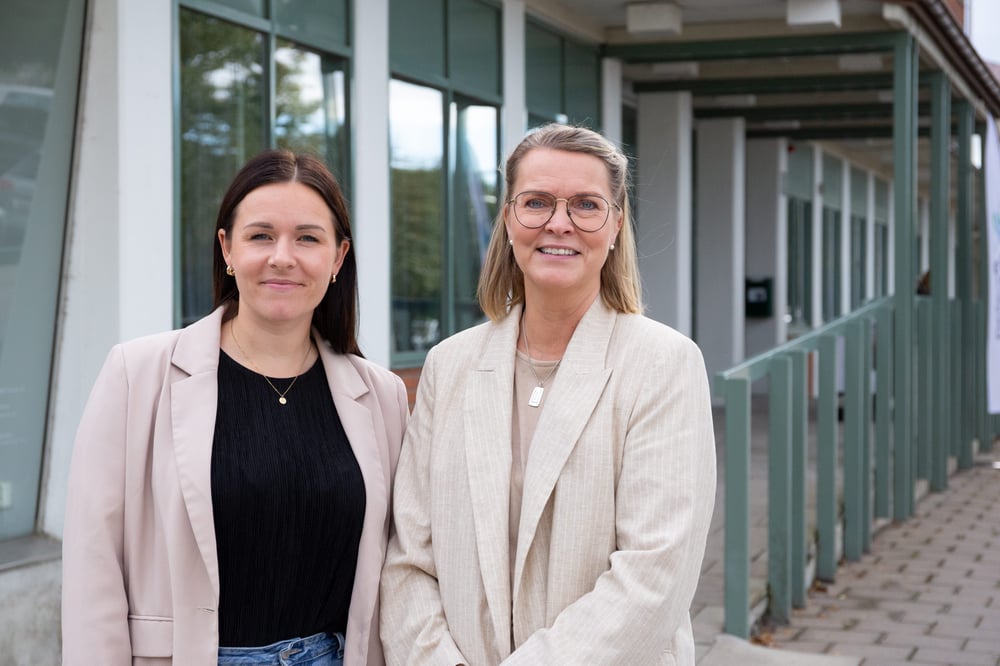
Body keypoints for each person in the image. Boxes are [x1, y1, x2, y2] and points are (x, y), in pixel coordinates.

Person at [379, 124, 717, 665]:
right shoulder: (450, 366)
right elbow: (408, 562)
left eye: (586, 205)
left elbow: (655, 573)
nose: (559, 223)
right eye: (536, 202)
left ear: (616, 226)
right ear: (508, 219)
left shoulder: (664, 365)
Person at [62, 150, 408, 666]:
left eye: (308, 238)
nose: (283, 257)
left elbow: (396, 568)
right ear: (227, 248)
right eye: (261, 235)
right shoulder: (137, 375)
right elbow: (93, 567)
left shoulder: (381, 397)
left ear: (338, 259)